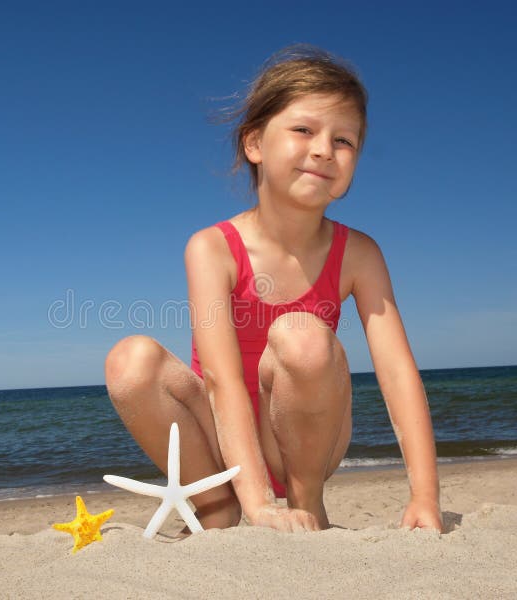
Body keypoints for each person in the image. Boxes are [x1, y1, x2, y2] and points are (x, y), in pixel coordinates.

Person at [104, 45, 442, 533]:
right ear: (255, 143)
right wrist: (257, 503)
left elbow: (396, 372)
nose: (325, 149)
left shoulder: (359, 253)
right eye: (304, 130)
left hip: (303, 441)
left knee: (302, 336)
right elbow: (218, 379)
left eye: (344, 140)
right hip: (221, 437)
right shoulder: (212, 247)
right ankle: (217, 507)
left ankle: (308, 503)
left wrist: (425, 497)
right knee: (129, 359)